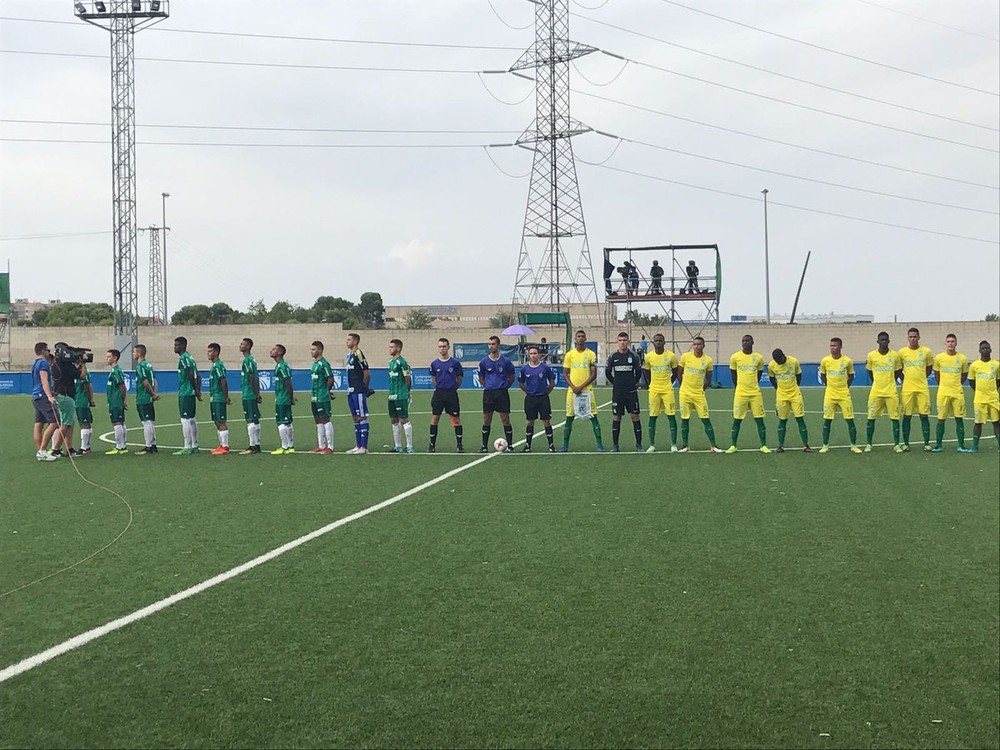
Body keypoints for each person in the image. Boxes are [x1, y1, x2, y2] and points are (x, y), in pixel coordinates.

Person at [677, 336, 724, 453]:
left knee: (705, 418)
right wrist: (683, 387)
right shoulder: (685, 357)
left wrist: (702, 389)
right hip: (685, 394)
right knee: (685, 419)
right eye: (695, 344)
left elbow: (708, 378)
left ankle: (713, 445)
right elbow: (679, 373)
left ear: (704, 345)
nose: (696, 346)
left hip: (698, 395)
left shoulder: (707, 360)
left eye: (699, 344)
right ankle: (685, 446)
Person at [560, 329, 604, 452]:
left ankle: (600, 445)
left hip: (587, 391)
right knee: (569, 417)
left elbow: (593, 374)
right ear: (575, 338)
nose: (580, 338)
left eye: (582, 336)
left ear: (585, 339)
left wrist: (581, 386)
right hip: (572, 391)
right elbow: (565, 373)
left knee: (593, 416)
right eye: (578, 336)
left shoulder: (591, 354)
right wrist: (574, 387)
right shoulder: (569, 354)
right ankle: (565, 445)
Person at [819, 337, 863, 454]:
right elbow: (823, 375)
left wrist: (844, 387)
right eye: (831, 346)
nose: (832, 348)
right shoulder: (825, 361)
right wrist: (829, 386)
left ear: (840, 347)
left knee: (850, 420)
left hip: (844, 394)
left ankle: (854, 445)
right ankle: (825, 445)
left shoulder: (847, 361)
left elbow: (851, 376)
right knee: (827, 420)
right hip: (830, 394)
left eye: (835, 346)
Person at [727, 334, 770, 453]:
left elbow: (759, 374)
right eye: (743, 341)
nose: (745, 343)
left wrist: (753, 385)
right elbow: (733, 374)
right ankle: (733, 445)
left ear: (752, 342)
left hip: (755, 393)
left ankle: (763, 445)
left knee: (759, 419)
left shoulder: (759, 358)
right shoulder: (735, 357)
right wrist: (738, 387)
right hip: (741, 393)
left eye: (747, 341)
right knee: (737, 419)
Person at [932, 333, 971, 452]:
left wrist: (956, 385)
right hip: (943, 392)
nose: (950, 344)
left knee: (959, 418)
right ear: (945, 343)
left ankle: (961, 445)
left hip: (957, 392)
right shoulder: (939, 358)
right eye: (948, 341)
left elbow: (964, 374)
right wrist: (944, 385)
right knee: (941, 418)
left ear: (956, 343)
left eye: (952, 341)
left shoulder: (962, 358)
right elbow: (937, 374)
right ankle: (938, 445)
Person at [865, 331, 903, 452]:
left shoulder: (895, 356)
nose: (884, 342)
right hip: (876, 392)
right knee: (871, 417)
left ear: (889, 341)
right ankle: (869, 444)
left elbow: (897, 372)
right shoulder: (871, 355)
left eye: (886, 340)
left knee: (895, 418)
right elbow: (870, 372)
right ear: (878, 341)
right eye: (882, 340)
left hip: (891, 392)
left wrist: (890, 382)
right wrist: (877, 382)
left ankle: (896, 444)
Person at [767, 349, 811, 452]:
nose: (779, 362)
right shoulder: (772, 365)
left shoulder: (793, 361)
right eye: (777, 361)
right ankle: (780, 446)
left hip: (795, 395)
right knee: (782, 420)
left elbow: (798, 376)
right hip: (781, 396)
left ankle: (806, 445)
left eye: (780, 360)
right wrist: (778, 389)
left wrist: (795, 387)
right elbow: (772, 378)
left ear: (784, 355)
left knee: (800, 419)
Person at [897, 327, 934, 451]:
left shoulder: (926, 352)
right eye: (910, 337)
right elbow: (898, 369)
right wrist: (906, 379)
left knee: (924, 415)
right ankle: (906, 444)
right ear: (908, 338)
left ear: (919, 337)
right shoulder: (902, 353)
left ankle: (927, 443)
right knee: (907, 416)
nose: (913, 339)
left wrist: (921, 378)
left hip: (922, 388)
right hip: (907, 389)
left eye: (915, 336)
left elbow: (928, 369)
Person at [606, 332, 644, 452]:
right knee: (617, 417)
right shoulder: (613, 356)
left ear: (628, 342)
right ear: (617, 342)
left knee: (635, 416)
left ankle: (638, 445)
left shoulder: (634, 356)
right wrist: (616, 383)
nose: (622, 342)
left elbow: (638, 373)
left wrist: (632, 383)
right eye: (620, 340)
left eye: (624, 340)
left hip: (631, 391)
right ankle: (615, 446)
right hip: (618, 392)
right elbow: (608, 373)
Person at [642, 333, 679, 452]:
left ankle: (673, 444)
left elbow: (675, 371)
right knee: (652, 416)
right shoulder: (648, 357)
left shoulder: (671, 356)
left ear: (664, 342)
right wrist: (651, 384)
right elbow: (646, 372)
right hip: (654, 390)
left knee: (671, 416)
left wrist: (669, 382)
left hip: (667, 390)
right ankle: (652, 444)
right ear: (653, 343)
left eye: (660, 340)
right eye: (656, 341)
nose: (658, 342)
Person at [479, 335, 516, 452]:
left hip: (502, 393)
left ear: (498, 345)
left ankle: (510, 445)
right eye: (489, 344)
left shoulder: (506, 361)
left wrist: (504, 387)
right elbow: (481, 378)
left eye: (493, 344)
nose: (491, 346)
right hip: (489, 393)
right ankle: (484, 446)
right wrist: (489, 386)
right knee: (486, 420)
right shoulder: (484, 362)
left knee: (505, 419)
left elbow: (511, 377)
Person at [429, 337, 464, 453]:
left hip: (451, 394)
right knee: (435, 418)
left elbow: (459, 378)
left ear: (448, 347)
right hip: (439, 394)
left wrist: (453, 388)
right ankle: (432, 444)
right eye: (440, 346)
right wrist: (438, 386)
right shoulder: (434, 364)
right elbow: (433, 378)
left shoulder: (454, 363)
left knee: (456, 419)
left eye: (444, 346)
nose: (442, 348)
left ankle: (459, 445)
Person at [519, 345, 556, 452]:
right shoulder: (525, 369)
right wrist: (529, 392)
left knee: (546, 421)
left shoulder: (544, 367)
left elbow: (552, 382)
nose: (533, 355)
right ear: (528, 355)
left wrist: (546, 392)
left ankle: (551, 445)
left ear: (538, 354)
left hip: (543, 398)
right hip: (530, 399)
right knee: (530, 422)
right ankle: (528, 445)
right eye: (531, 354)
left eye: (535, 353)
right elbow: (521, 383)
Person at [968, 340, 1000, 453]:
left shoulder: (996, 365)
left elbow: (998, 381)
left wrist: (992, 391)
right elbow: (971, 381)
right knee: (978, 423)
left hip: (993, 399)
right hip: (979, 399)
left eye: (987, 348)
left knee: (996, 422)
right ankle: (975, 447)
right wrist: (979, 391)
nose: (985, 350)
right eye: (983, 348)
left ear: (991, 350)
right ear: (979, 350)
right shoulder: (974, 365)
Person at [49, 345, 80, 457]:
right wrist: (82, 364)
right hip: (66, 396)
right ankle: (56, 449)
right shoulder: (66, 365)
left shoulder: (55, 363)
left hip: (61, 395)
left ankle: (69, 448)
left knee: (69, 423)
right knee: (66, 423)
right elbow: (80, 375)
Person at [30, 342, 59, 461]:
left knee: (38, 424)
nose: (49, 352)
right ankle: (42, 450)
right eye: (47, 350)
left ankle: (41, 451)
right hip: (42, 396)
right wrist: (49, 396)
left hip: (36, 395)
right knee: (55, 422)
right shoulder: (43, 363)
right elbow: (44, 380)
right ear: (43, 351)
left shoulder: (35, 363)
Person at [173, 336, 202, 455]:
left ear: (183, 346)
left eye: (176, 345)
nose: (174, 347)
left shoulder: (184, 358)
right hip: (190, 392)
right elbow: (198, 375)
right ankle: (194, 445)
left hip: (185, 392)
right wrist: (197, 390)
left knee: (185, 420)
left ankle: (187, 446)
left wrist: (195, 389)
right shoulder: (190, 358)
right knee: (191, 419)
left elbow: (191, 374)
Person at [345, 333, 371, 455]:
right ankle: (358, 445)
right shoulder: (349, 355)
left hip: (358, 390)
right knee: (355, 418)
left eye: (349, 339)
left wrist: (364, 387)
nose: (347, 341)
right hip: (351, 390)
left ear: (355, 342)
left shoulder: (358, 353)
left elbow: (366, 372)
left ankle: (364, 446)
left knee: (362, 416)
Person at [308, 340, 335, 454]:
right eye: (311, 349)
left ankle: (330, 446)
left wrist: (326, 391)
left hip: (322, 397)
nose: (311, 351)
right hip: (314, 396)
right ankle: (321, 445)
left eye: (313, 349)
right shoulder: (314, 364)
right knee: (318, 420)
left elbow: (330, 378)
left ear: (320, 350)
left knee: (325, 419)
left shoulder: (324, 364)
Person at [388, 338, 414, 453]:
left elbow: (407, 379)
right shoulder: (390, 362)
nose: (390, 349)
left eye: (392, 347)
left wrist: (407, 393)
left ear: (398, 348)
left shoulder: (402, 362)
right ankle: (397, 446)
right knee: (394, 419)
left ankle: (409, 446)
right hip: (392, 395)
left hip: (401, 395)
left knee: (403, 419)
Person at [238, 337, 263, 455]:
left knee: (250, 420)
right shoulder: (251, 360)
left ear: (248, 347)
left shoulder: (248, 361)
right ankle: (256, 445)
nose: (240, 346)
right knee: (255, 419)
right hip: (250, 393)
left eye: (242, 344)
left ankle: (252, 446)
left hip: (248, 394)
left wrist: (256, 393)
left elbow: (252, 378)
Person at [133, 344, 159, 455]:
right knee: (149, 421)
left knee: (146, 421)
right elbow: (154, 381)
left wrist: (152, 393)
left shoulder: (140, 366)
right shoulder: (149, 365)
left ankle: (148, 446)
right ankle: (153, 444)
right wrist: (154, 393)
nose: (133, 354)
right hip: (148, 397)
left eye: (134, 352)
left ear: (139, 353)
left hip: (143, 397)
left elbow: (145, 382)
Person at [271, 344, 296, 454]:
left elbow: (288, 382)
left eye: (274, 349)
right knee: (287, 422)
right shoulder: (279, 366)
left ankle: (284, 447)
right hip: (283, 397)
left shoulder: (282, 366)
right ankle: (290, 446)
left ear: (280, 352)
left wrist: (290, 397)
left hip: (282, 398)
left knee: (281, 422)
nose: (271, 351)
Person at [207, 343, 231, 455]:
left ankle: (225, 446)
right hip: (214, 397)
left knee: (221, 421)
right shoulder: (214, 365)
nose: (208, 353)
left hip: (219, 397)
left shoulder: (218, 365)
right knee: (216, 421)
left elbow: (223, 381)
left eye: (210, 351)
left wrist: (226, 396)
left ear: (216, 352)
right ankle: (221, 445)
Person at [105, 348, 129, 455]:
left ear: (115, 358)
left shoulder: (117, 371)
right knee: (119, 422)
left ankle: (120, 446)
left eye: (109, 357)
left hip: (116, 401)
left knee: (117, 423)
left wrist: (122, 400)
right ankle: (122, 446)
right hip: (114, 401)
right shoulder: (114, 371)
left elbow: (122, 386)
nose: (107, 359)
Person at [74, 358, 96, 455]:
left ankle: (85, 447)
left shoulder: (83, 374)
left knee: (84, 424)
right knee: (85, 423)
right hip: (80, 401)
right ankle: (87, 446)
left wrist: (90, 399)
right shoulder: (79, 373)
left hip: (81, 402)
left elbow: (88, 386)